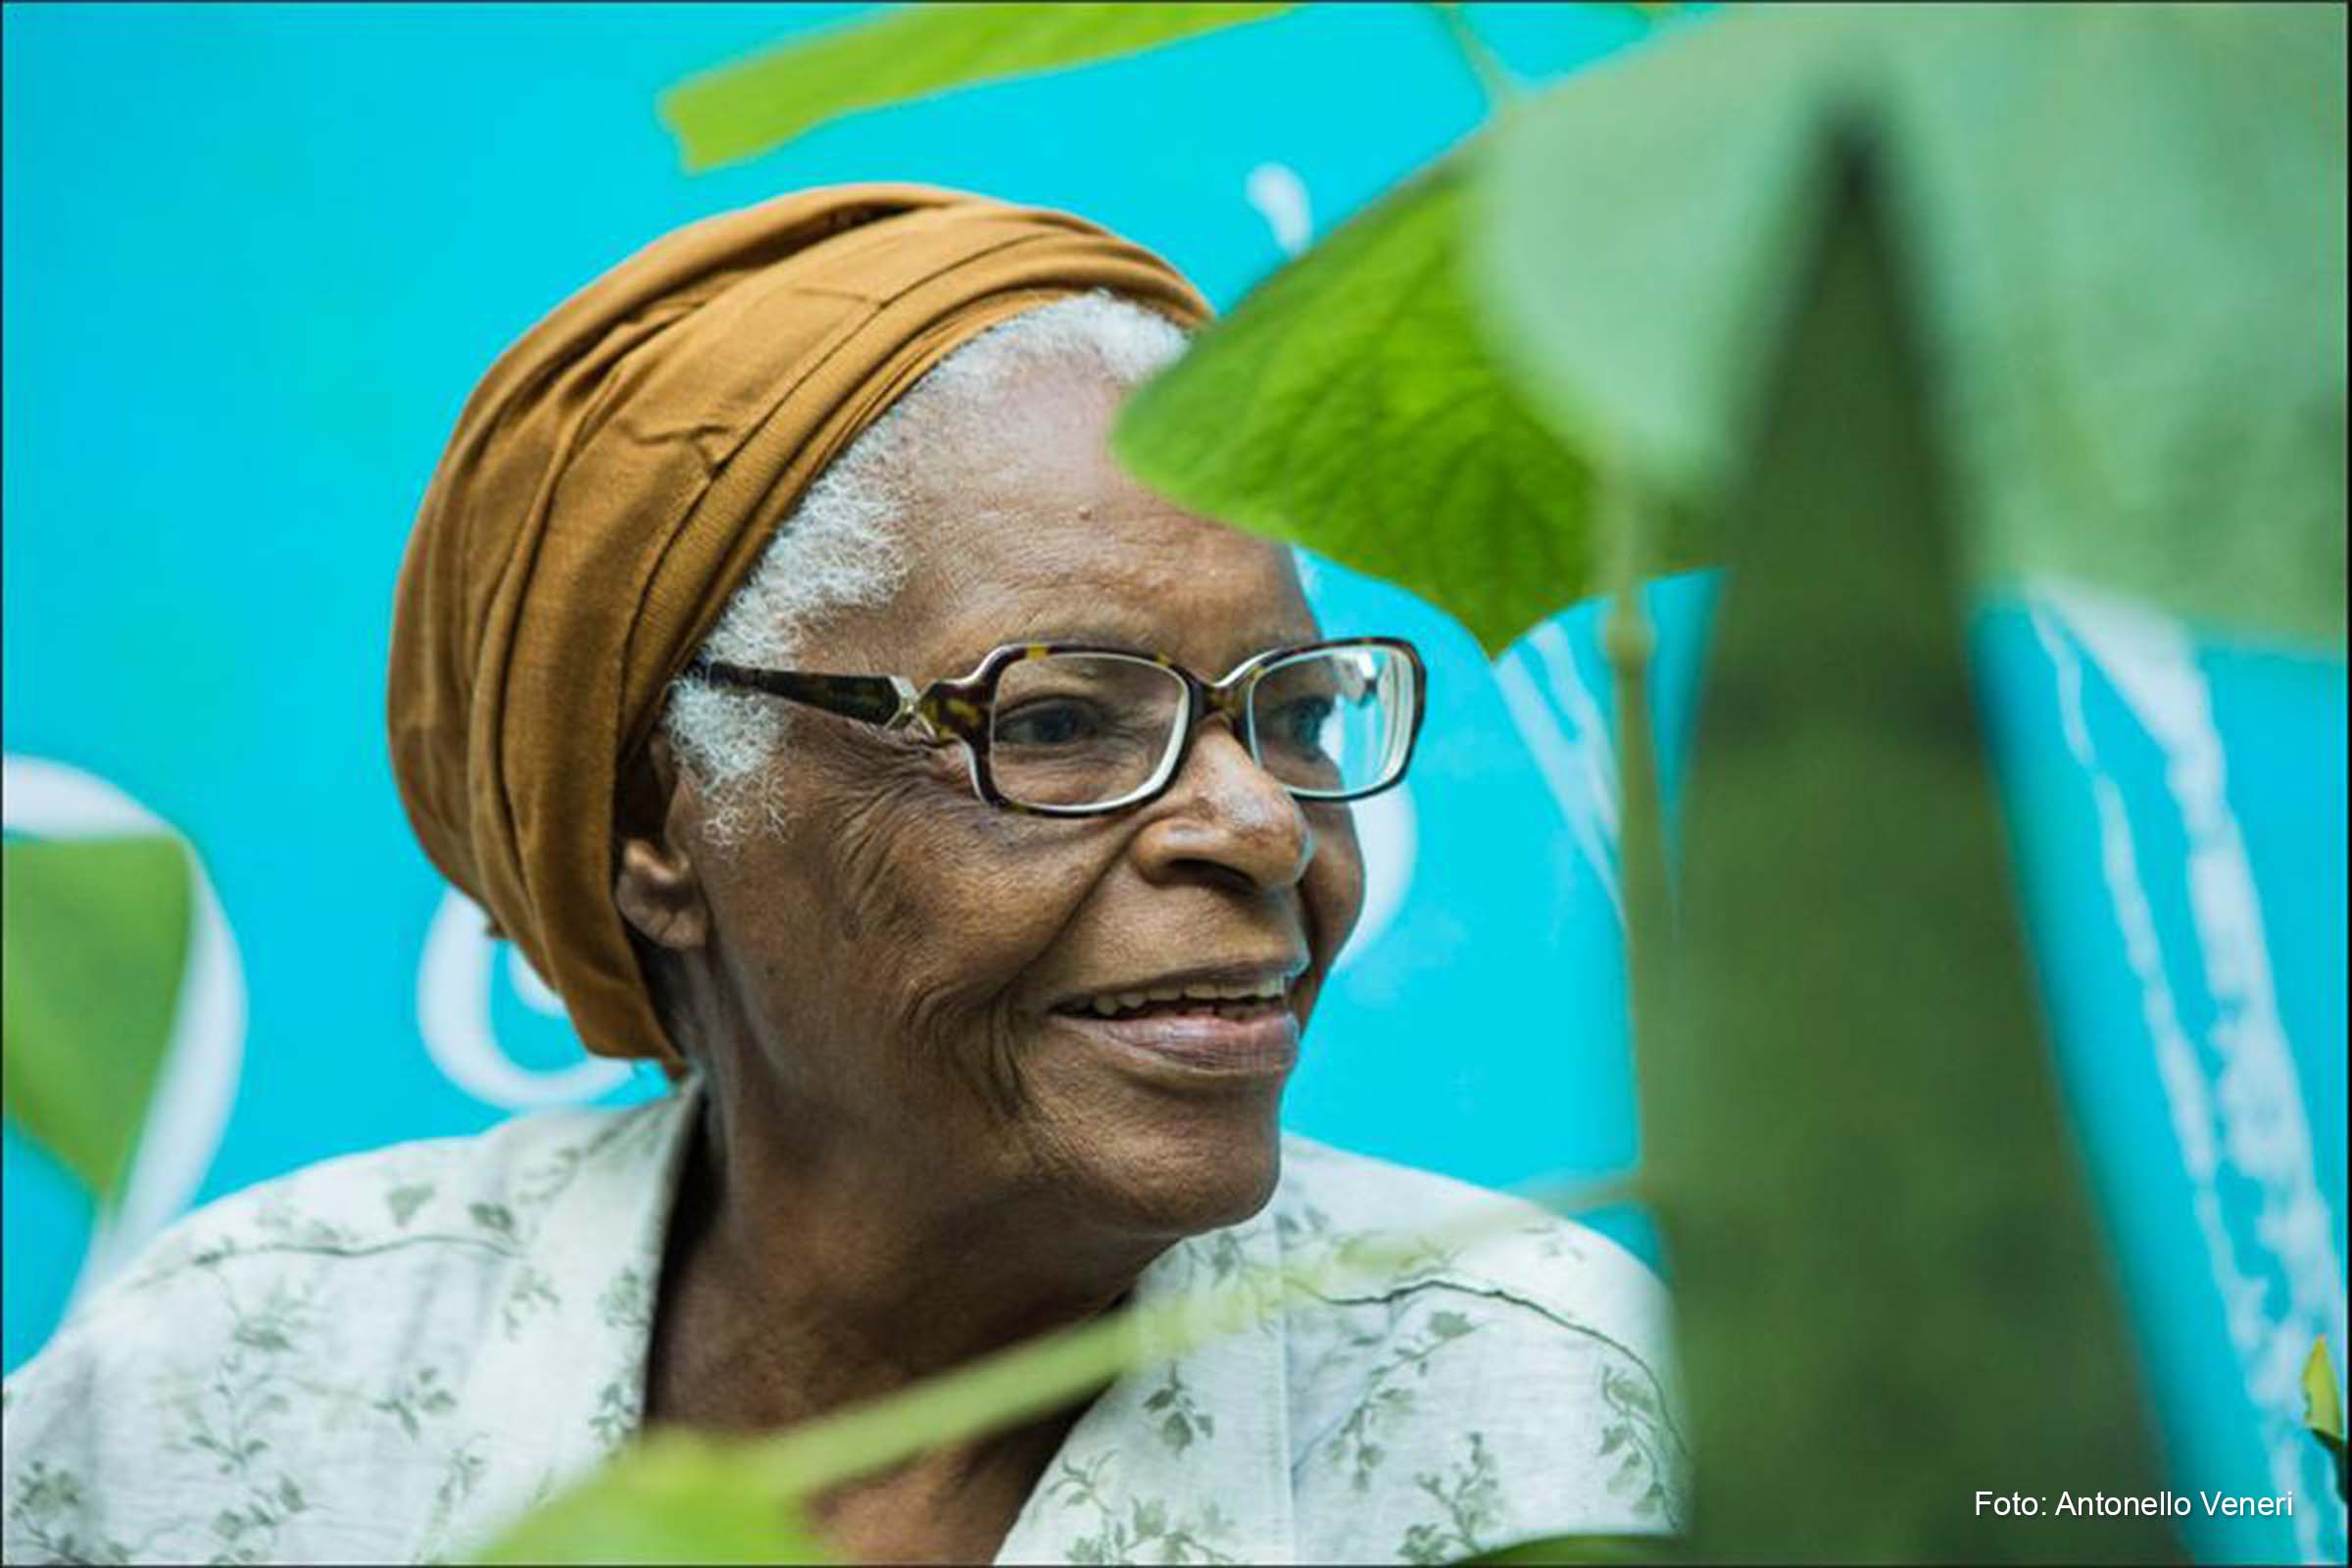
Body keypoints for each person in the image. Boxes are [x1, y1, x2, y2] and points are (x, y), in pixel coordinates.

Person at [1, 186, 1683, 1565]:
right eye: (1060, 722)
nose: (1261, 829)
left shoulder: (1531, 1402)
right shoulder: (244, 1380)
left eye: (1295, 710)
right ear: (662, 824)